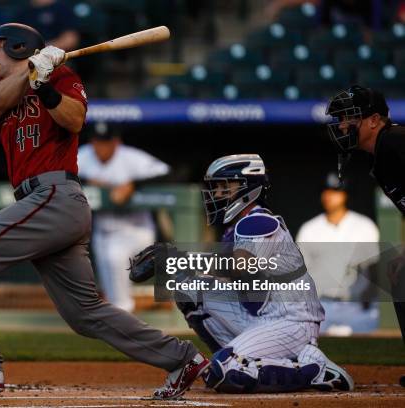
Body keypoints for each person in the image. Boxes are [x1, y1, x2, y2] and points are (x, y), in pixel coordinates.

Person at [0, 23, 208, 400]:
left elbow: (74, 120)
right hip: (39, 203)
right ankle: (182, 358)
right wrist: (31, 73)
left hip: (56, 195)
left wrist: (44, 84)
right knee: (84, 314)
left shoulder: (61, 76)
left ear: (18, 46)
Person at [131, 154, 354, 393]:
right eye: (216, 187)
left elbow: (239, 266)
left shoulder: (259, 221)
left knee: (225, 371)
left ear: (248, 188)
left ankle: (315, 369)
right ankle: (242, 357)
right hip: (265, 318)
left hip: (293, 323)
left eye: (225, 187)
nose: (217, 194)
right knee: (190, 289)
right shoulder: (238, 228)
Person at [325, 84, 405, 384]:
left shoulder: (394, 142)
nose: (342, 125)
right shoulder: (385, 150)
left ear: (373, 120)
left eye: (349, 117)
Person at [77, 122, 170, 312]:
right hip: (103, 232)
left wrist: (133, 184)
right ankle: (120, 319)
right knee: (110, 289)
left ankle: (125, 318)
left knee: (115, 263)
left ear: (116, 142)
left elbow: (168, 173)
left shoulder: (131, 157)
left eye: (105, 142)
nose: (100, 147)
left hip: (135, 230)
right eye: (97, 142)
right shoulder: (84, 155)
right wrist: (87, 181)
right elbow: (57, 173)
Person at [296, 172, 380, 336]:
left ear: (345, 194)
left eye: (335, 191)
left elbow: (375, 270)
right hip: (322, 305)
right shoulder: (309, 229)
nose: (329, 195)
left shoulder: (364, 226)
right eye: (326, 191)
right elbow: (299, 274)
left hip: (357, 307)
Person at [14, 0, 79, 51]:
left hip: (57, 60)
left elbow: (70, 41)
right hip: (26, 60)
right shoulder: (22, 12)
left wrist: (42, 50)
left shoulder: (63, 8)